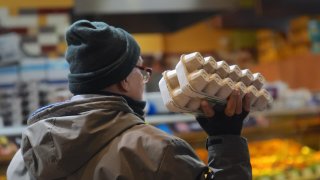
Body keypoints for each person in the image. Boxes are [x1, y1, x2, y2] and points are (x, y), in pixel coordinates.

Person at [7, 20, 252, 180]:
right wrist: (227, 140)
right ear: (124, 79)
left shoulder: (25, 157)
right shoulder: (157, 152)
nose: (145, 78)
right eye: (142, 70)